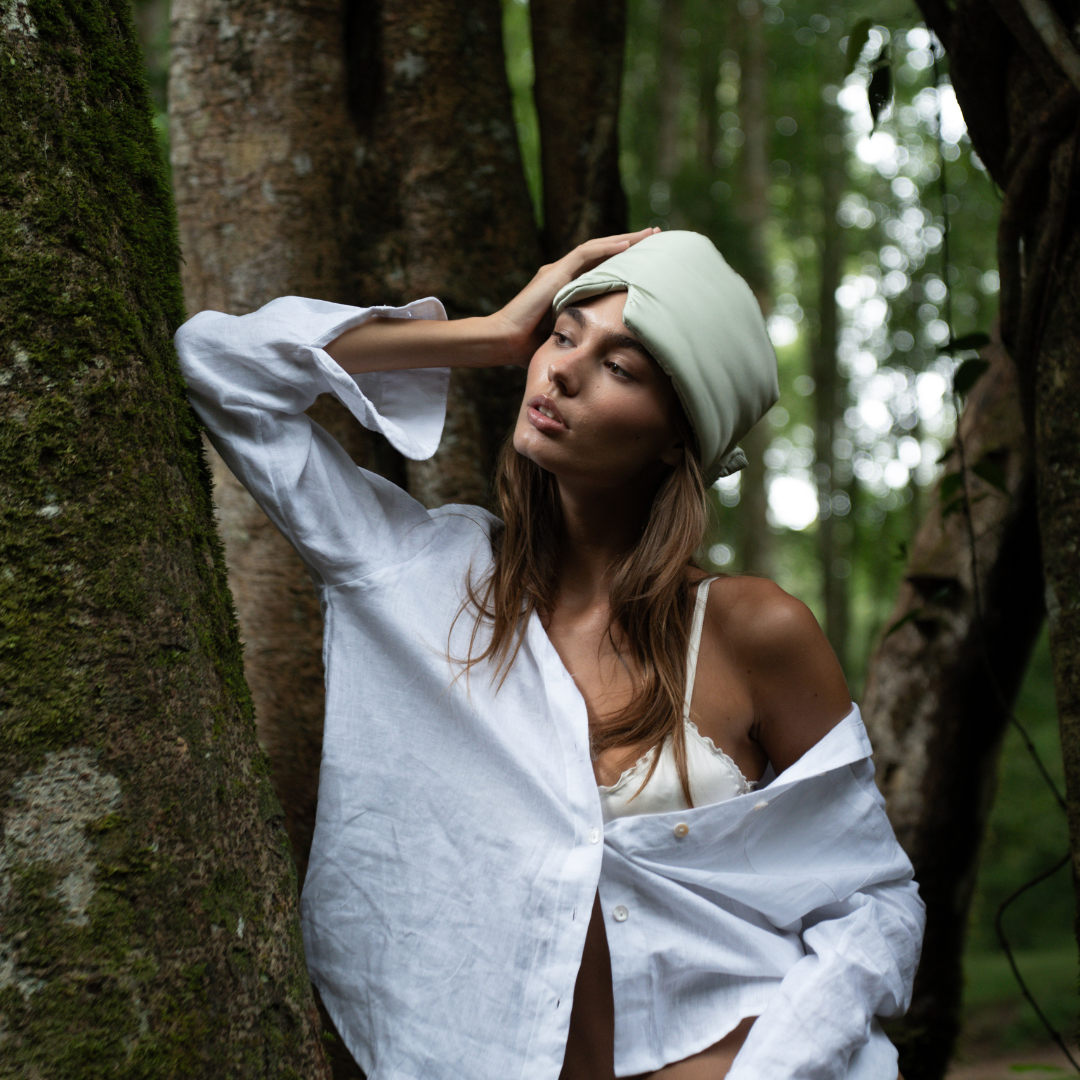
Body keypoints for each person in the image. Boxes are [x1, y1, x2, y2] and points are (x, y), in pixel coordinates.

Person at [174, 227, 924, 1080]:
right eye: (564, 336)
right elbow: (215, 363)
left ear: (681, 437)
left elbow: (874, 901)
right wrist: (489, 333)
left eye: (621, 366)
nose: (561, 369)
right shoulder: (419, 580)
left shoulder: (752, 630)